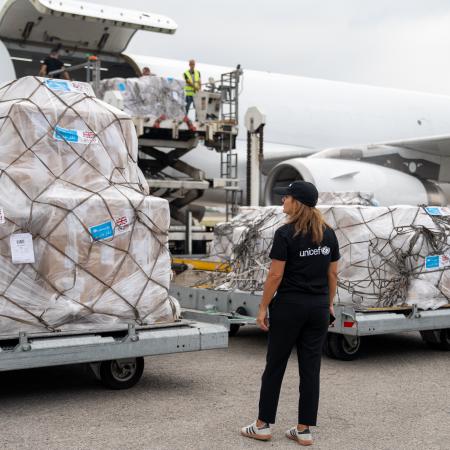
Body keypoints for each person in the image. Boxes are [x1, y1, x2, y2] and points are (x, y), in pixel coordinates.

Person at [241, 181, 340, 446]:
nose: (283, 200)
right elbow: (333, 274)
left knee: (275, 366)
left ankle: (262, 425)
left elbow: (275, 274)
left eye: (287, 196)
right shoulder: (328, 234)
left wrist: (262, 307)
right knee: (311, 369)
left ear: (297, 202)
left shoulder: (285, 233)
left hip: (290, 307)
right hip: (318, 308)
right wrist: (328, 303)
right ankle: (304, 430)